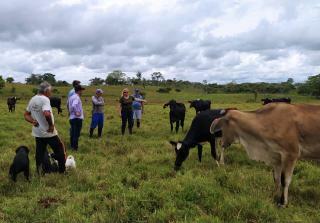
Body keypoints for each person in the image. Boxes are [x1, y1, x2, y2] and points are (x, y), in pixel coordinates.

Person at [24, 81, 66, 174]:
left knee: (40, 153)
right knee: (60, 151)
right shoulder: (45, 99)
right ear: (46, 91)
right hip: (49, 132)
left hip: (38, 133)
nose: (51, 93)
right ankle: (62, 172)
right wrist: (51, 125)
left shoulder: (33, 99)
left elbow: (26, 114)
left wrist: (32, 121)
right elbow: (46, 113)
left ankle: (39, 172)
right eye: (50, 91)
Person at [68, 85, 85, 150]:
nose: (82, 92)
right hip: (77, 118)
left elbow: (69, 105)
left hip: (72, 118)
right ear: (79, 91)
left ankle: (72, 146)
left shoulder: (71, 97)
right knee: (76, 134)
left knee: (72, 133)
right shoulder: (76, 97)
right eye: (81, 91)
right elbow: (74, 105)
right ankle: (75, 148)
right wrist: (76, 112)